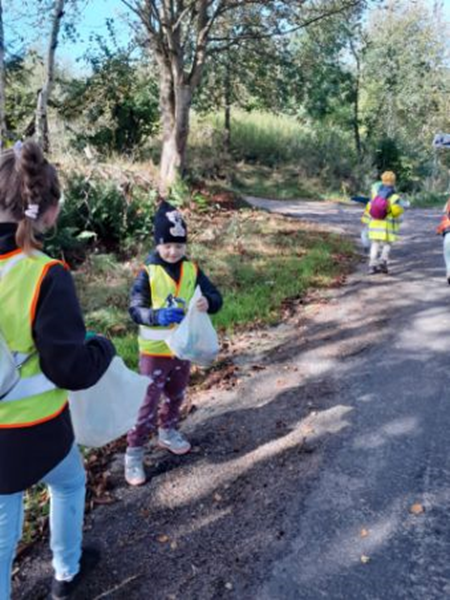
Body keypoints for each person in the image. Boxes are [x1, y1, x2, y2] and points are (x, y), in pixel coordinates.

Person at [0, 140, 115, 600]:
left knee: (3, 532)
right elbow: (71, 369)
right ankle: (65, 574)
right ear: (48, 213)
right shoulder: (44, 274)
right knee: (68, 483)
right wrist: (103, 349)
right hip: (39, 430)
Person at [125, 200, 222, 486]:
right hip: (154, 353)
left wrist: (209, 302)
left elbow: (216, 296)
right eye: (167, 245)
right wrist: (156, 316)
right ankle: (134, 452)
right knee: (147, 402)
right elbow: (135, 309)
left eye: (179, 246)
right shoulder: (148, 272)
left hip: (184, 348)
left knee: (176, 395)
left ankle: (167, 431)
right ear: (157, 243)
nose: (173, 251)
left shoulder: (192, 269)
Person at [362, 170, 405, 274]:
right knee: (387, 244)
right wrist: (400, 214)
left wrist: (366, 221)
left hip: (374, 225)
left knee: (375, 244)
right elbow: (396, 212)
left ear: (382, 181)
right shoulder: (394, 197)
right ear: (393, 182)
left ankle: (372, 265)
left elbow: (369, 209)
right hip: (387, 227)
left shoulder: (376, 196)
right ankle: (383, 261)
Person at [436, 198, 450, 284]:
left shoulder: (446, 220)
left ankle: (449, 273)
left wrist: (439, 231)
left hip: (448, 239)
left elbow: (439, 230)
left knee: (448, 258)